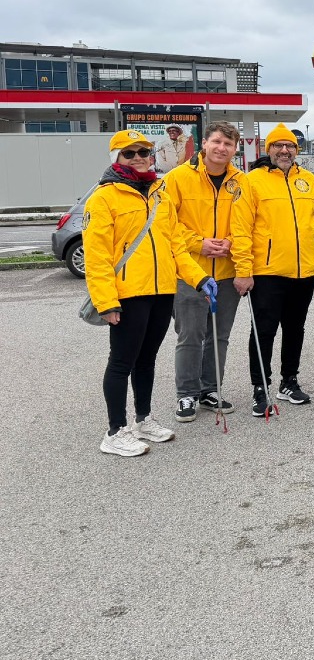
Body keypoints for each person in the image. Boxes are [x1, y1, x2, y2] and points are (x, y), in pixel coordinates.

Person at [84, 129, 216, 457]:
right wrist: (106, 301)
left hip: (161, 291)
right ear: (117, 159)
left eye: (144, 151)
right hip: (127, 294)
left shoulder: (159, 193)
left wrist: (199, 278)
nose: (139, 157)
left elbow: (175, 245)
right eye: (130, 153)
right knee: (121, 363)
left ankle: (143, 420)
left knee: (147, 360)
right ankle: (115, 431)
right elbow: (97, 256)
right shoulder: (103, 198)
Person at [230, 123, 314, 416]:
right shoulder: (251, 182)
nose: (284, 151)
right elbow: (241, 229)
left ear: (296, 151)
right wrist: (243, 269)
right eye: (278, 146)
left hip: (304, 272)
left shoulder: (310, 181)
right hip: (267, 272)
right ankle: (260, 387)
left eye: (290, 146)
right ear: (268, 149)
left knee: (295, 329)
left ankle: (289, 381)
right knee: (263, 331)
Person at [162, 121, 244, 422]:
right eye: (217, 142)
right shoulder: (177, 179)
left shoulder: (241, 182)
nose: (222, 148)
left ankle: (210, 389)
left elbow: (249, 224)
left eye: (228, 144)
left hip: (226, 271)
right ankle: (186, 394)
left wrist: (231, 243)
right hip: (189, 272)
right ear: (205, 144)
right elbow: (166, 226)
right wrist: (200, 244)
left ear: (235, 149)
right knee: (190, 336)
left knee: (219, 336)